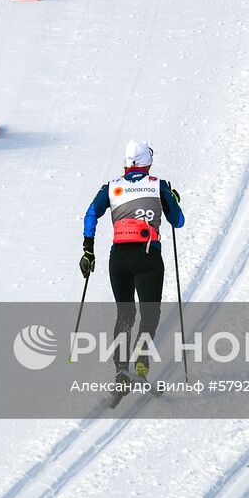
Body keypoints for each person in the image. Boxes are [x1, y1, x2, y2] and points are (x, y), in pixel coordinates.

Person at [79, 140, 185, 393]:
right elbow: (177, 221)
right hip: (148, 258)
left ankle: (120, 369)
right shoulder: (158, 186)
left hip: (119, 259)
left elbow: (90, 214)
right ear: (147, 162)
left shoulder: (112, 187)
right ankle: (141, 360)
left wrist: (88, 251)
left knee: (125, 314)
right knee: (150, 314)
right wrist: (172, 199)